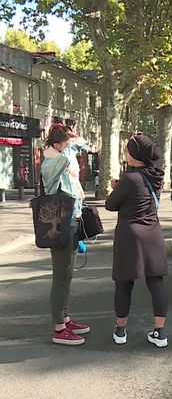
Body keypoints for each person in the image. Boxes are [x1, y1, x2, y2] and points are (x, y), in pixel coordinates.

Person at [105, 133, 169, 347]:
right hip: (152, 232)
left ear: (134, 154)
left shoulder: (130, 179)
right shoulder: (156, 176)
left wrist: (117, 188)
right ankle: (160, 333)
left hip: (129, 235)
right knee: (156, 282)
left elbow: (110, 205)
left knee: (124, 283)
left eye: (127, 150)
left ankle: (121, 330)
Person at [41, 124, 89, 346]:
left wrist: (70, 136)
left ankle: (65, 319)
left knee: (67, 276)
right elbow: (67, 158)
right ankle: (59, 327)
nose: (71, 149)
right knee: (60, 277)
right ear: (57, 145)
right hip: (59, 224)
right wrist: (66, 144)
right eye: (65, 145)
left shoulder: (62, 153)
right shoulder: (52, 162)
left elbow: (81, 145)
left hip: (71, 221)